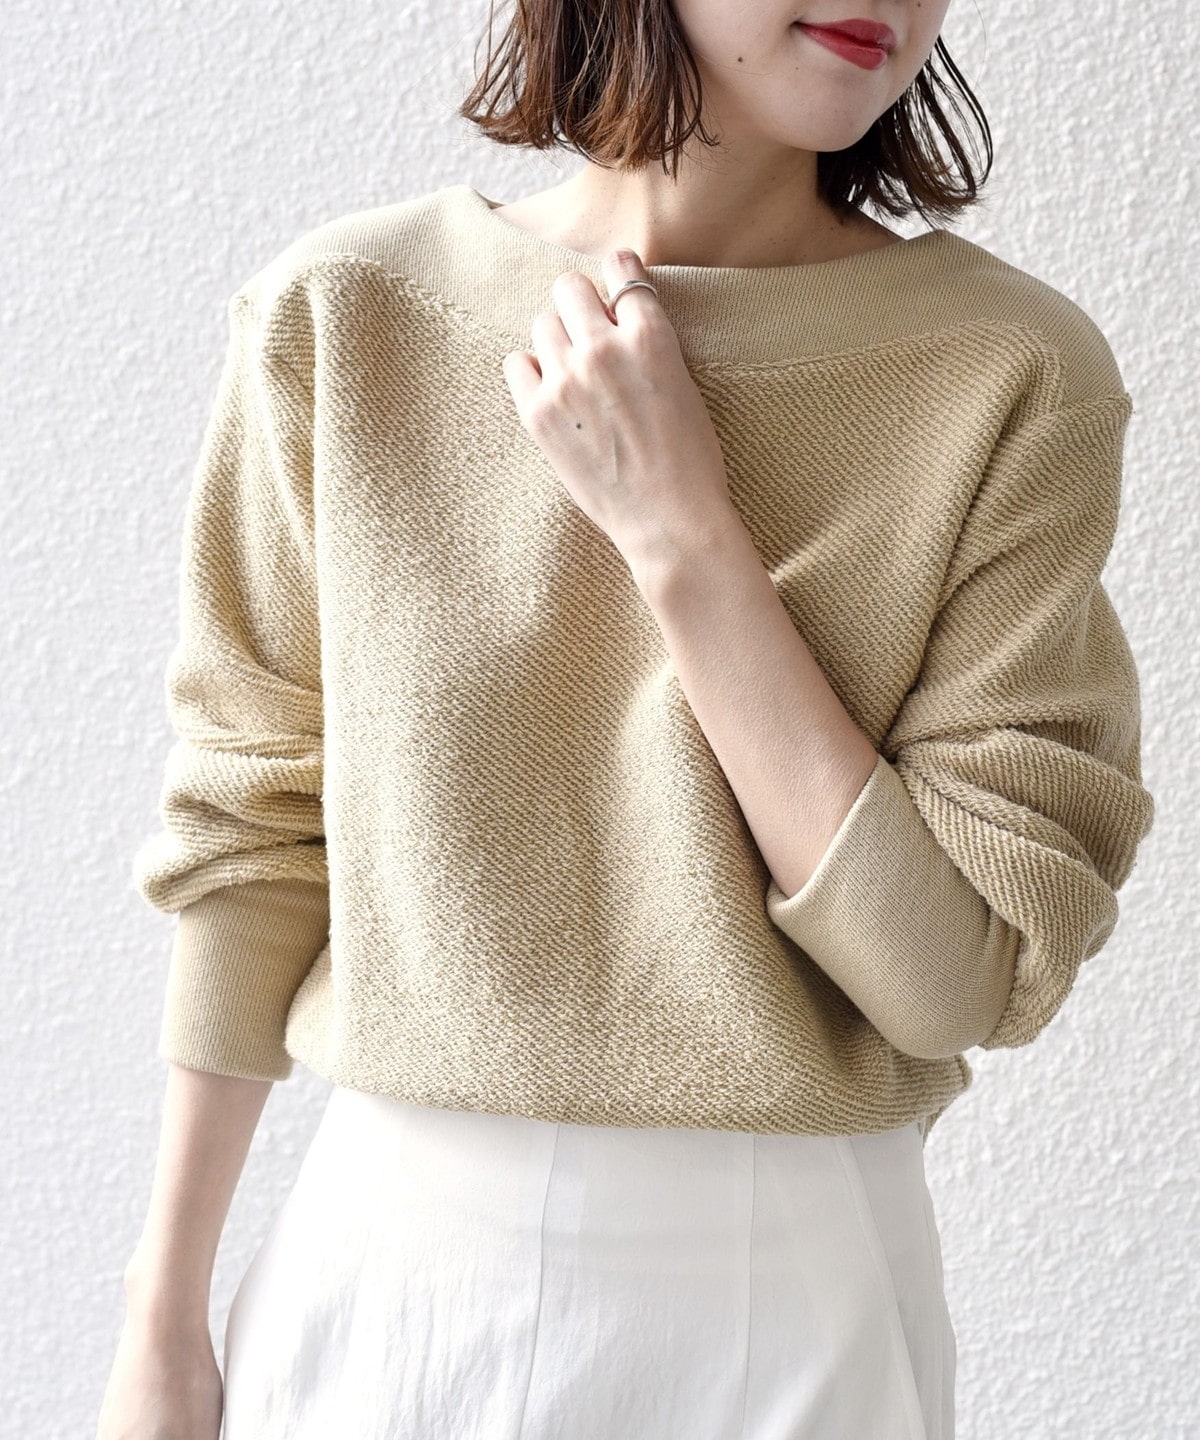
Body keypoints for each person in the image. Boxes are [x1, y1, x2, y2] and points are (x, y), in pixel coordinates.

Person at [97, 1, 1156, 1436]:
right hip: (390, 1282)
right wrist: (161, 1319)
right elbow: (253, 834)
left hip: (792, 1303)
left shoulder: (1009, 372)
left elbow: (951, 981)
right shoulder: (346, 315)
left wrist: (686, 540)